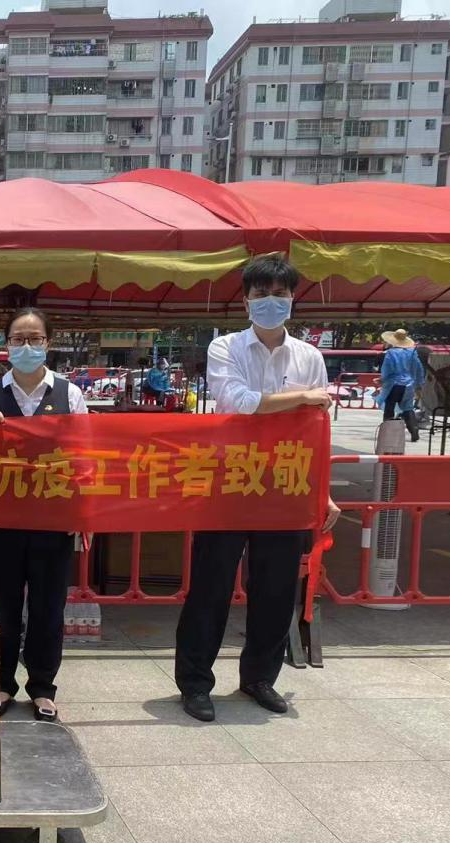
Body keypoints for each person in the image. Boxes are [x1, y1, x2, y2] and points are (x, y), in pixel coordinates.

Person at [175, 256, 340, 723]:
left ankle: (260, 678)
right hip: (228, 481)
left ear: (292, 299)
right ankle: (195, 683)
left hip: (285, 485)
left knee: (275, 590)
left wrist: (322, 492)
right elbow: (237, 402)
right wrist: (302, 396)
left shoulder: (308, 357)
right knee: (210, 588)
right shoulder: (225, 347)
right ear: (246, 300)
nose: (271, 301)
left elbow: (316, 431)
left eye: (280, 293)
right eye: (261, 293)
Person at [0, 308, 87, 723]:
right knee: (2, 605)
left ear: (47, 343)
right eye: (18, 339)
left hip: (53, 519)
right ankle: (2, 682)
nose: (26, 346)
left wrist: (81, 514)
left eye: (34, 338)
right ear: (6, 345)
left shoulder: (70, 395)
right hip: (2, 519)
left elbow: (82, 456)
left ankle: (42, 686)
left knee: (48, 607)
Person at [378, 328, 425, 442]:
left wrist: (382, 379)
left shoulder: (391, 353)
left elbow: (387, 369)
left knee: (389, 408)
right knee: (408, 408)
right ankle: (414, 430)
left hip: (393, 385)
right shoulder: (412, 353)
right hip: (409, 385)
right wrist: (419, 384)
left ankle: (388, 433)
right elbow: (419, 370)